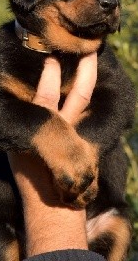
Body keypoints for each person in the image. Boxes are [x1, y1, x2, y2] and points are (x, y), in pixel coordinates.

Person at [8, 53, 106, 260]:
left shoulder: (101, 58)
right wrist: (59, 144)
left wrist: (81, 153)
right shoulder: (7, 52)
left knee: (120, 228)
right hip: (10, 221)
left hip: (104, 209)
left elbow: (120, 105)